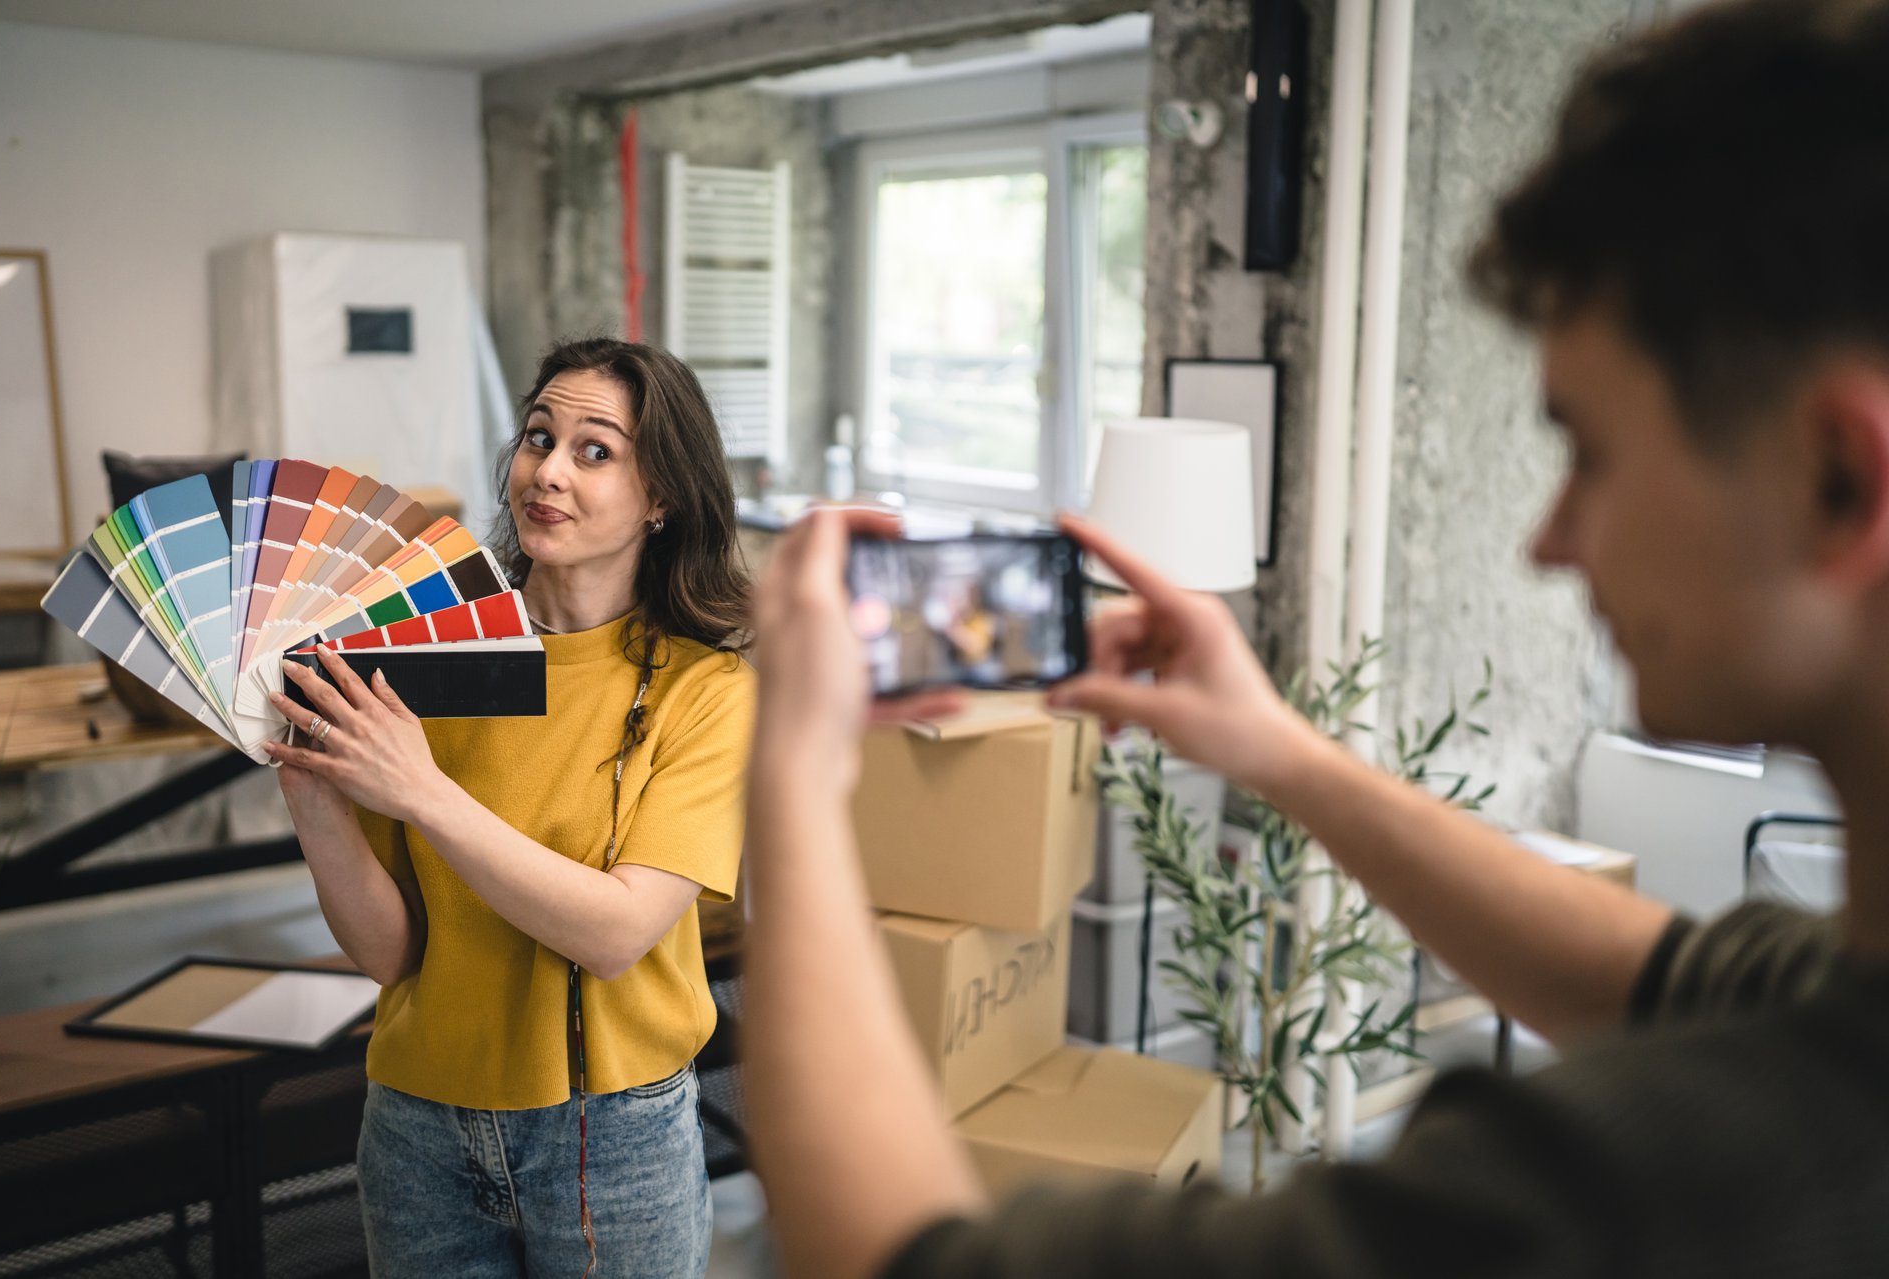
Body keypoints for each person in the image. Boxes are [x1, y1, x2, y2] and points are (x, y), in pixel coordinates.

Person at [742, 1, 1889, 1276]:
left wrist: (791, 770)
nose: (1548, 542)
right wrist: (1278, 750)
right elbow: (1669, 974)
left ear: (1840, 479)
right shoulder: (1833, 1019)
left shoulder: (1677, 1186)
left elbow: (893, 1259)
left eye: (1589, 453)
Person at [268, 337, 755, 1278]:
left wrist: (420, 791)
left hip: (615, 1137)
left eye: (595, 449)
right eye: (540, 437)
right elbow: (391, 953)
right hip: (415, 1122)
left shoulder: (709, 691)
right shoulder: (419, 657)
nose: (549, 471)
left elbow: (616, 933)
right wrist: (313, 796)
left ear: (662, 497)